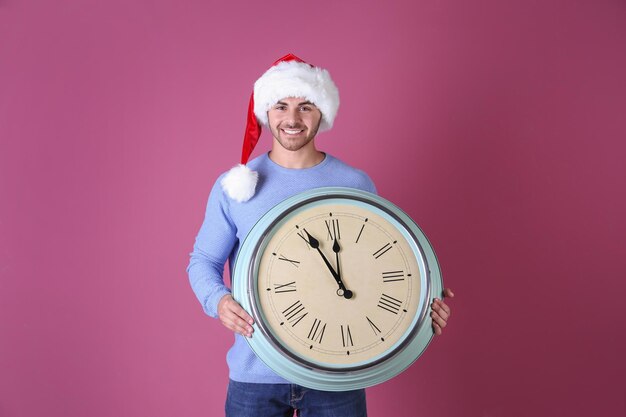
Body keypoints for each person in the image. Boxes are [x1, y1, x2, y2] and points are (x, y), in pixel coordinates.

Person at [187, 54, 454, 417]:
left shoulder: (355, 184)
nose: (292, 119)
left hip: (337, 376)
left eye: (305, 106)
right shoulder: (236, 186)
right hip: (255, 375)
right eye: (281, 106)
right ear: (267, 112)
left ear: (322, 114)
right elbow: (203, 261)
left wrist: (426, 301)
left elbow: (382, 268)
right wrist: (218, 301)